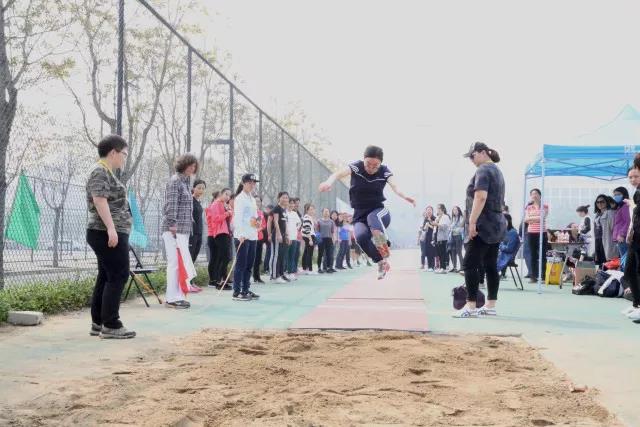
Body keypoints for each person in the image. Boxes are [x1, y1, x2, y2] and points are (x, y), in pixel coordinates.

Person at [319, 145, 415, 279]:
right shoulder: (357, 167)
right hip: (359, 216)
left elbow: (395, 186)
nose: (371, 168)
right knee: (361, 237)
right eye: (368, 164)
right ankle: (380, 262)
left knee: (372, 218)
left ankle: (384, 242)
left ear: (380, 164)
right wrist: (328, 182)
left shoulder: (384, 171)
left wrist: (405, 196)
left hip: (379, 212)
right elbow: (338, 174)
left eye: (375, 166)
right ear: (363, 160)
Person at [86, 135, 135, 339]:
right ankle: (111, 324)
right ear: (113, 152)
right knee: (118, 274)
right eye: (124, 154)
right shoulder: (100, 171)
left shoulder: (105, 171)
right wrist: (112, 229)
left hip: (106, 231)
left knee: (106, 275)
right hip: (105, 232)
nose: (125, 158)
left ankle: (98, 322)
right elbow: (99, 200)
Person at [454, 142, 507, 318]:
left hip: (483, 225)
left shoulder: (483, 170)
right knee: (490, 265)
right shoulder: (497, 171)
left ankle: (471, 306)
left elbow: (480, 196)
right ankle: (490, 305)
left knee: (469, 264)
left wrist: (472, 222)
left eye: (473, 155)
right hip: (496, 225)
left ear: (483, 152)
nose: (471, 159)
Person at [162, 154, 198, 309]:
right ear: (183, 164)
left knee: (180, 263)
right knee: (174, 263)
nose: (192, 168)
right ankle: (171, 298)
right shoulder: (175, 181)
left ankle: (178, 295)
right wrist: (172, 224)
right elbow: (171, 204)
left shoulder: (186, 182)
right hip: (173, 229)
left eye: (194, 166)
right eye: (190, 165)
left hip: (183, 230)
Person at [231, 174, 260, 301]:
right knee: (241, 265)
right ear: (243, 183)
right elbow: (237, 218)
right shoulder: (240, 198)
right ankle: (237, 292)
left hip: (252, 235)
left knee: (249, 265)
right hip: (242, 236)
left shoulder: (252, 199)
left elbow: (254, 216)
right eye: (249, 182)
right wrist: (241, 234)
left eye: (254, 183)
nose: (252, 185)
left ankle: (246, 289)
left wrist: (257, 223)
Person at [622, 164, 640, 323]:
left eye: (636, 176)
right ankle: (637, 304)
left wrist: (632, 205)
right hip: (635, 238)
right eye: (630, 177)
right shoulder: (636, 192)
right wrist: (630, 232)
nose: (633, 179)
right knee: (628, 270)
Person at [206, 188, 232, 289]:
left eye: (229, 195)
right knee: (222, 257)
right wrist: (227, 213)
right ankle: (217, 280)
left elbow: (229, 217)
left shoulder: (223, 204)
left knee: (224, 257)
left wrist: (229, 211)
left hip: (225, 232)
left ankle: (220, 280)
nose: (228, 197)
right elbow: (216, 218)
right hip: (219, 233)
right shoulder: (215, 204)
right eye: (226, 194)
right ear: (221, 194)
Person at [525, 188, 549, 284]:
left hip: (542, 233)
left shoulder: (545, 206)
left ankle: (543, 277)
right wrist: (536, 218)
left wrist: (532, 218)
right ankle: (533, 276)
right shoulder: (528, 207)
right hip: (531, 233)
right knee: (533, 255)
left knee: (542, 255)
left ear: (539, 195)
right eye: (532, 194)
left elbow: (542, 217)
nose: (534, 195)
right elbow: (526, 219)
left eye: (536, 193)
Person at [187, 179, 206, 293]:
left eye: (203, 188)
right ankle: (187, 283)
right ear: (193, 188)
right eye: (199, 188)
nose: (201, 190)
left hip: (199, 233)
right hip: (191, 234)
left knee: (193, 258)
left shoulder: (198, 202)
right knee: (189, 258)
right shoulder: (190, 200)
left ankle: (191, 282)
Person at [268, 192, 290, 283]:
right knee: (275, 255)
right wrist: (278, 234)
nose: (285, 199)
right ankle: (274, 276)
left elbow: (285, 223)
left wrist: (287, 235)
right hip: (277, 235)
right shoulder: (276, 208)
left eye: (286, 198)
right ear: (279, 198)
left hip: (283, 235)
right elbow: (275, 222)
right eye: (283, 197)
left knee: (281, 255)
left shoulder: (284, 210)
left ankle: (280, 274)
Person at [594, 194, 618, 266]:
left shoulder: (610, 213)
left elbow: (614, 229)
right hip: (598, 240)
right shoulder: (597, 214)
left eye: (602, 201)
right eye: (598, 202)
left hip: (607, 240)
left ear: (606, 202)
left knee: (607, 261)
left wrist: (615, 242)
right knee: (599, 261)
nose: (599, 204)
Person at [285, 198, 302, 280]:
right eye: (290, 203)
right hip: (286, 237)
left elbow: (299, 223)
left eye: (293, 203)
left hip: (294, 237)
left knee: (292, 256)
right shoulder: (284, 213)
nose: (291, 205)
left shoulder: (295, 213)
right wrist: (286, 235)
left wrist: (296, 228)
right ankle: (285, 272)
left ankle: (291, 273)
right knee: (286, 256)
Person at [316, 208, 337, 273]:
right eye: (325, 211)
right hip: (321, 239)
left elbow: (332, 232)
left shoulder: (331, 221)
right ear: (322, 213)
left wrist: (333, 239)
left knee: (329, 254)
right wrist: (317, 241)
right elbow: (317, 231)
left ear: (329, 213)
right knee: (321, 254)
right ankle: (320, 268)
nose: (326, 213)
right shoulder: (319, 221)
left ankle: (329, 268)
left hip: (329, 239)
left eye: (327, 211)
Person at [613, 186, 631, 259]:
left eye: (618, 194)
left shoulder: (625, 206)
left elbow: (628, 221)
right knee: (623, 258)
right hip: (619, 237)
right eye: (615, 195)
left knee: (625, 258)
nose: (616, 196)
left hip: (623, 237)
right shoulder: (620, 206)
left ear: (624, 194)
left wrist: (622, 234)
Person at [252, 197, 267, 284]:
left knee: (258, 258)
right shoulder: (251, 212)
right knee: (251, 257)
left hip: (259, 237)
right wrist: (254, 229)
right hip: (252, 237)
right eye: (255, 201)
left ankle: (257, 276)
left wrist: (260, 228)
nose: (257, 203)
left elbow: (264, 224)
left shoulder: (261, 213)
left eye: (259, 201)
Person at [433, 204, 451, 274]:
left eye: (438, 208)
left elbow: (445, 227)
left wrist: (436, 224)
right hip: (438, 238)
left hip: (443, 238)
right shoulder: (437, 217)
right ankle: (441, 267)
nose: (437, 210)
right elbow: (435, 228)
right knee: (439, 253)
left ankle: (443, 268)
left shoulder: (445, 217)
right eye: (437, 208)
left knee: (443, 253)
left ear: (442, 209)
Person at [301, 203, 317, 274]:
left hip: (308, 236)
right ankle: (309, 269)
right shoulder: (307, 218)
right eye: (310, 209)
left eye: (313, 209)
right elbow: (307, 230)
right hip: (308, 236)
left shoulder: (309, 217)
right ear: (307, 210)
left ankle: (305, 268)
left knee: (306, 252)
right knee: (309, 253)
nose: (312, 211)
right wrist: (310, 239)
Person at [419, 206, 437, 271]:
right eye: (427, 210)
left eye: (430, 210)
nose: (429, 211)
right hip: (426, 237)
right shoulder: (425, 219)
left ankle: (432, 266)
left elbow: (435, 228)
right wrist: (425, 227)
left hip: (432, 237)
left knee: (432, 252)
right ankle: (429, 267)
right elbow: (424, 229)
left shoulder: (434, 218)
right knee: (428, 252)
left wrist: (429, 224)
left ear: (432, 211)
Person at [449, 206, 465, 272]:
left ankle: (462, 267)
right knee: (453, 252)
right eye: (453, 210)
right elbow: (450, 227)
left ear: (459, 211)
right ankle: (454, 267)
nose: (454, 211)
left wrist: (454, 229)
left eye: (456, 210)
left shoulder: (461, 218)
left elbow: (461, 228)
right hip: (452, 236)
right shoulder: (453, 218)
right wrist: (453, 228)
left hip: (459, 236)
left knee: (459, 252)